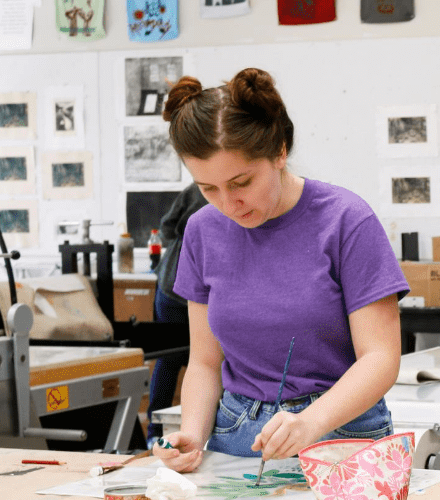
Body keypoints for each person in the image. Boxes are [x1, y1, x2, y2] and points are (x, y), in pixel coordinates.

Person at [151, 67, 408, 473]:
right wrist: (192, 436)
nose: (227, 203)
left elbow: (380, 357)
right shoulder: (202, 231)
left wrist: (312, 422)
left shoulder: (346, 221)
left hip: (341, 435)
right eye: (208, 188)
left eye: (241, 182)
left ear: (280, 150)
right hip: (237, 435)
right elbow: (203, 361)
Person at [144, 183, 208, 445]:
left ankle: (158, 434)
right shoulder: (198, 190)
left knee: (184, 359)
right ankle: (154, 434)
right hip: (174, 286)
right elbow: (168, 227)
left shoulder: (196, 190)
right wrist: (183, 251)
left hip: (179, 282)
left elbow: (168, 226)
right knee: (171, 358)